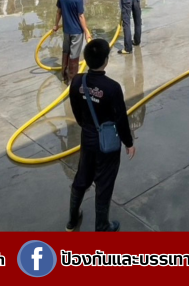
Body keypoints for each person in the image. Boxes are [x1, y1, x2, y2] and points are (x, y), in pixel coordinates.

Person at [66, 38, 135, 232]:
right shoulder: (112, 87)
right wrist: (129, 142)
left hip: (87, 138)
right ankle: (102, 226)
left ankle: (72, 221)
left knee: (82, 177)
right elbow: (121, 118)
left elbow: (75, 109)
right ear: (106, 60)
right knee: (104, 183)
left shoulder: (77, 81)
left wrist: (86, 125)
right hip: (107, 143)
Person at [53, 0, 92, 84]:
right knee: (74, 55)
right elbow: (81, 16)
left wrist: (56, 25)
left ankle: (63, 75)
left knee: (66, 51)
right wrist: (86, 31)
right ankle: (72, 80)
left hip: (66, 30)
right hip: (76, 31)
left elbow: (58, 12)